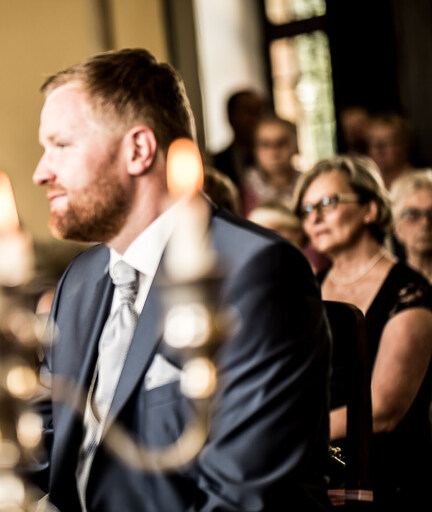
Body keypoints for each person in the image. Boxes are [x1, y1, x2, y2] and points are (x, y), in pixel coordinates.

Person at [30, 48, 331, 511]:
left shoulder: (256, 273)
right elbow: (35, 438)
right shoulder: (81, 280)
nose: (40, 172)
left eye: (61, 146)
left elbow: (244, 496)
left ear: (138, 150)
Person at [294, 155, 432, 509]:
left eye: (328, 202)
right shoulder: (308, 287)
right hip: (316, 475)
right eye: (307, 209)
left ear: (370, 209)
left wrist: (291, 430)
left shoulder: (409, 291)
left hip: (385, 481)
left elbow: (383, 411)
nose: (314, 217)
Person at [241, 115, 300, 215]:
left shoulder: (307, 185)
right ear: (255, 150)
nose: (273, 152)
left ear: (295, 146)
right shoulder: (243, 192)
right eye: (265, 144)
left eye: (281, 143)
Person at [210, 89, 265, 189]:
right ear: (231, 116)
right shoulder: (214, 164)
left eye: (259, 112)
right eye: (249, 112)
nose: (255, 119)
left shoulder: (275, 160)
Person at [391, 169, 432, 282]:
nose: (425, 223)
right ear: (397, 228)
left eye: (431, 213)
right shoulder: (390, 283)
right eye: (412, 214)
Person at [367, 112, 416, 189]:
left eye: (387, 142)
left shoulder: (419, 184)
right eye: (374, 143)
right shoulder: (366, 185)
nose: (378, 150)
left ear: (404, 146)